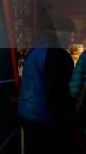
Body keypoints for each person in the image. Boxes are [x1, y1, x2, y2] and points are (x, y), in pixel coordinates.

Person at [17, 15, 75, 154]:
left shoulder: (35, 50)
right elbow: (56, 93)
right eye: (69, 34)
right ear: (59, 32)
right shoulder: (56, 53)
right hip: (44, 118)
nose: (71, 38)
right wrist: (66, 119)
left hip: (27, 113)